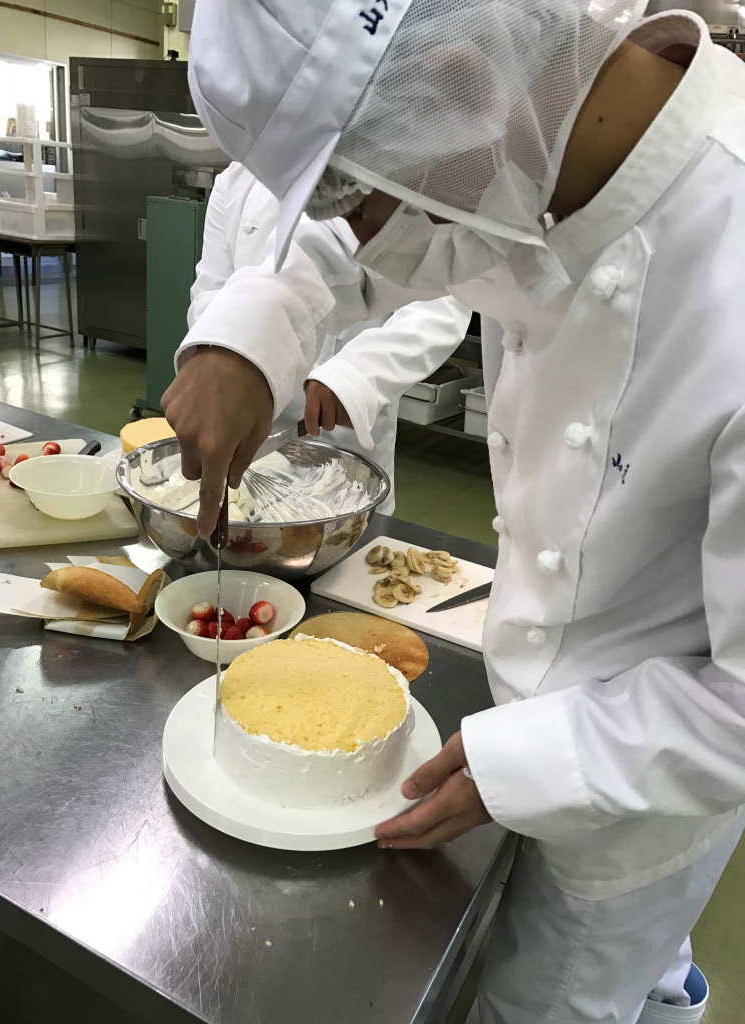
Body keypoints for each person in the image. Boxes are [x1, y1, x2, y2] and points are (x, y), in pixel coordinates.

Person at [172, 2, 745, 1022]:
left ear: (462, 79)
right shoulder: (530, 135)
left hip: (645, 782)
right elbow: (358, 245)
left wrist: (520, 761)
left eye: (351, 192)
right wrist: (248, 336)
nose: (355, 232)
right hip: (525, 681)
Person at [174, 160, 471, 516]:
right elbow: (211, 292)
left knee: (347, 529)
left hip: (346, 431)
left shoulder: (383, 169)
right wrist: (219, 354)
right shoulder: (234, 183)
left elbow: (439, 306)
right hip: (250, 438)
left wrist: (355, 377)